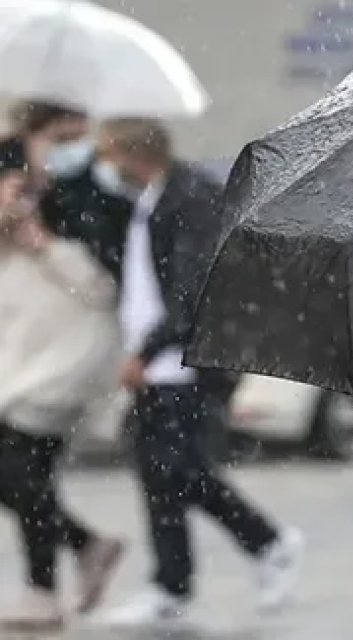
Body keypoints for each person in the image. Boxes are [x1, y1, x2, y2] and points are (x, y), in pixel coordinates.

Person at [90, 119, 304, 623]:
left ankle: (269, 541)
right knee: (156, 472)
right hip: (160, 366)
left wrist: (145, 351)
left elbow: (190, 292)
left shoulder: (191, 198)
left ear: (130, 152)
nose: (105, 165)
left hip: (184, 365)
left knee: (181, 470)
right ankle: (172, 587)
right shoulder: (152, 198)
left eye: (108, 153)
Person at [0, 170, 127, 632]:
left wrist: (41, 240)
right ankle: (72, 560)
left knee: (19, 477)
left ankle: (56, 577)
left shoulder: (62, 252)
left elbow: (102, 291)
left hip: (59, 379)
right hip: (20, 382)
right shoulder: (8, 261)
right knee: (28, 483)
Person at [0, 100, 131, 280]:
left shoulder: (94, 191)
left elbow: (109, 281)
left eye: (79, 139)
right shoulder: (7, 169)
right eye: (62, 139)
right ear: (30, 134)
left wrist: (50, 247)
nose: (71, 149)